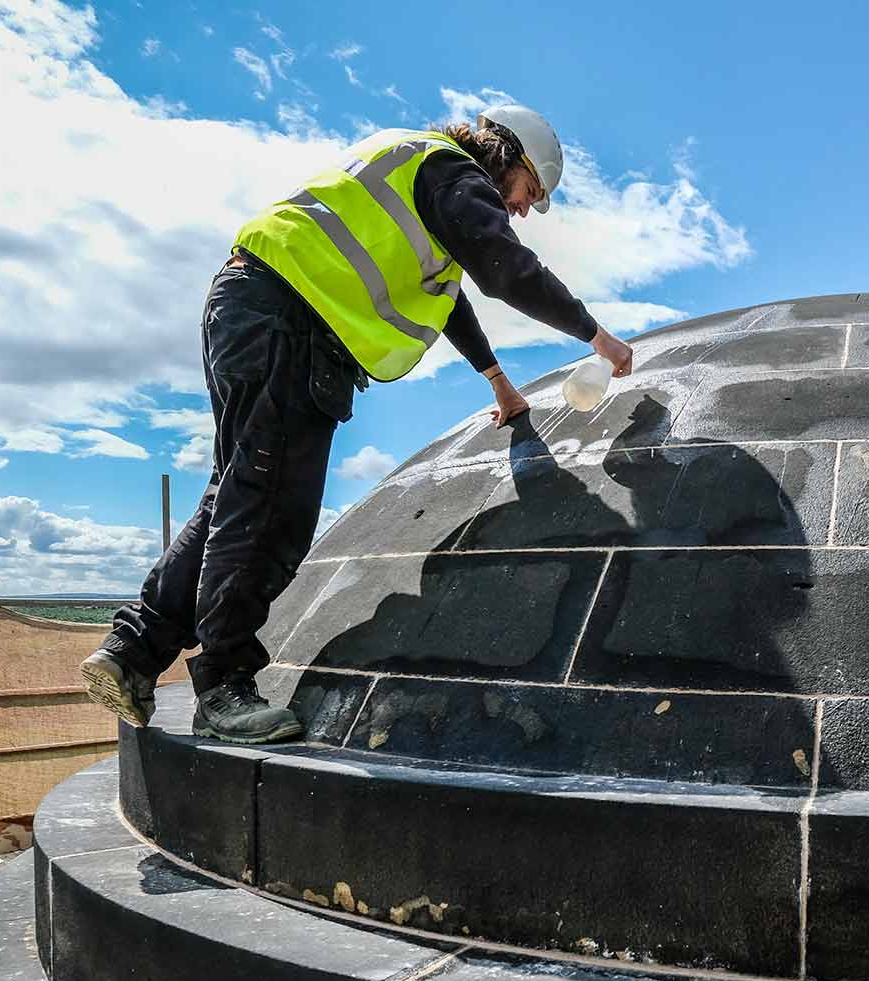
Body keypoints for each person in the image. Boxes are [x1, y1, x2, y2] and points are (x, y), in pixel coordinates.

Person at [82, 104, 635, 742]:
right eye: (526, 193)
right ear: (506, 155)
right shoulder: (456, 174)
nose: (518, 209)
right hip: (293, 327)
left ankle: (133, 653)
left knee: (236, 490)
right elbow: (506, 268)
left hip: (254, 306)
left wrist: (498, 382)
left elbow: (449, 298)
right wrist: (599, 338)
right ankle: (224, 686)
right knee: (269, 510)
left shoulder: (416, 165)